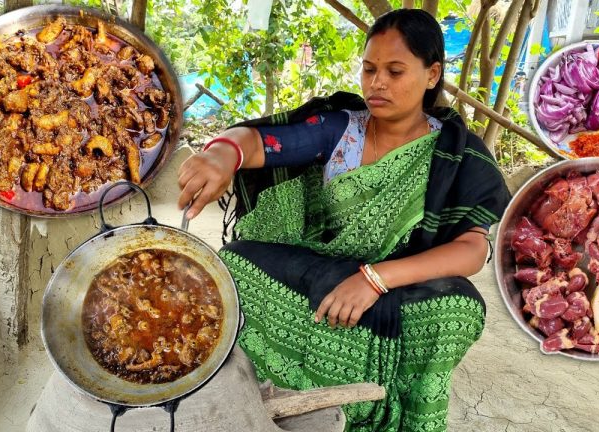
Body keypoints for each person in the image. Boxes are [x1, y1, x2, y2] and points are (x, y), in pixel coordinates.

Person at [176, 9, 511, 431]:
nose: (377, 83)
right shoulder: (343, 129)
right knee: (234, 263)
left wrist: (374, 279)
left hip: (397, 286)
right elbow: (259, 142)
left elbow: (471, 250)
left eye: (394, 70)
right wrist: (221, 154)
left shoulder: (457, 154)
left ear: (432, 75)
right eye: (369, 69)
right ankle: (286, 396)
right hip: (319, 267)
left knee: (456, 309)